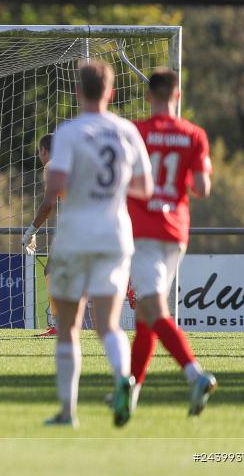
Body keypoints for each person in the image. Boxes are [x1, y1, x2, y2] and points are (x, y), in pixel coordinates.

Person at [24, 60, 153, 428]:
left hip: (77, 234)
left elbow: (55, 187)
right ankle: (123, 379)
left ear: (78, 92)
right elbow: (145, 188)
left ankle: (68, 412)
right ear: (111, 92)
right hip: (115, 234)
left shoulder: (70, 132)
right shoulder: (127, 131)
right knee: (109, 325)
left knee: (68, 326)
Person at [127, 68, 217, 416]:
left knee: (152, 310)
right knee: (146, 317)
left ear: (149, 96)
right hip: (176, 233)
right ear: (177, 95)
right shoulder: (194, 134)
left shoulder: (136, 132)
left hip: (144, 232)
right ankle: (130, 392)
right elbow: (202, 189)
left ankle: (194, 374)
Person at [24, 133, 59, 336]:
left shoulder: (51, 167)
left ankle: (59, 325)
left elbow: (48, 204)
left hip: (83, 222)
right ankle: (129, 286)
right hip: (107, 218)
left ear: (43, 151)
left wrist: (32, 230)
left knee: (52, 270)